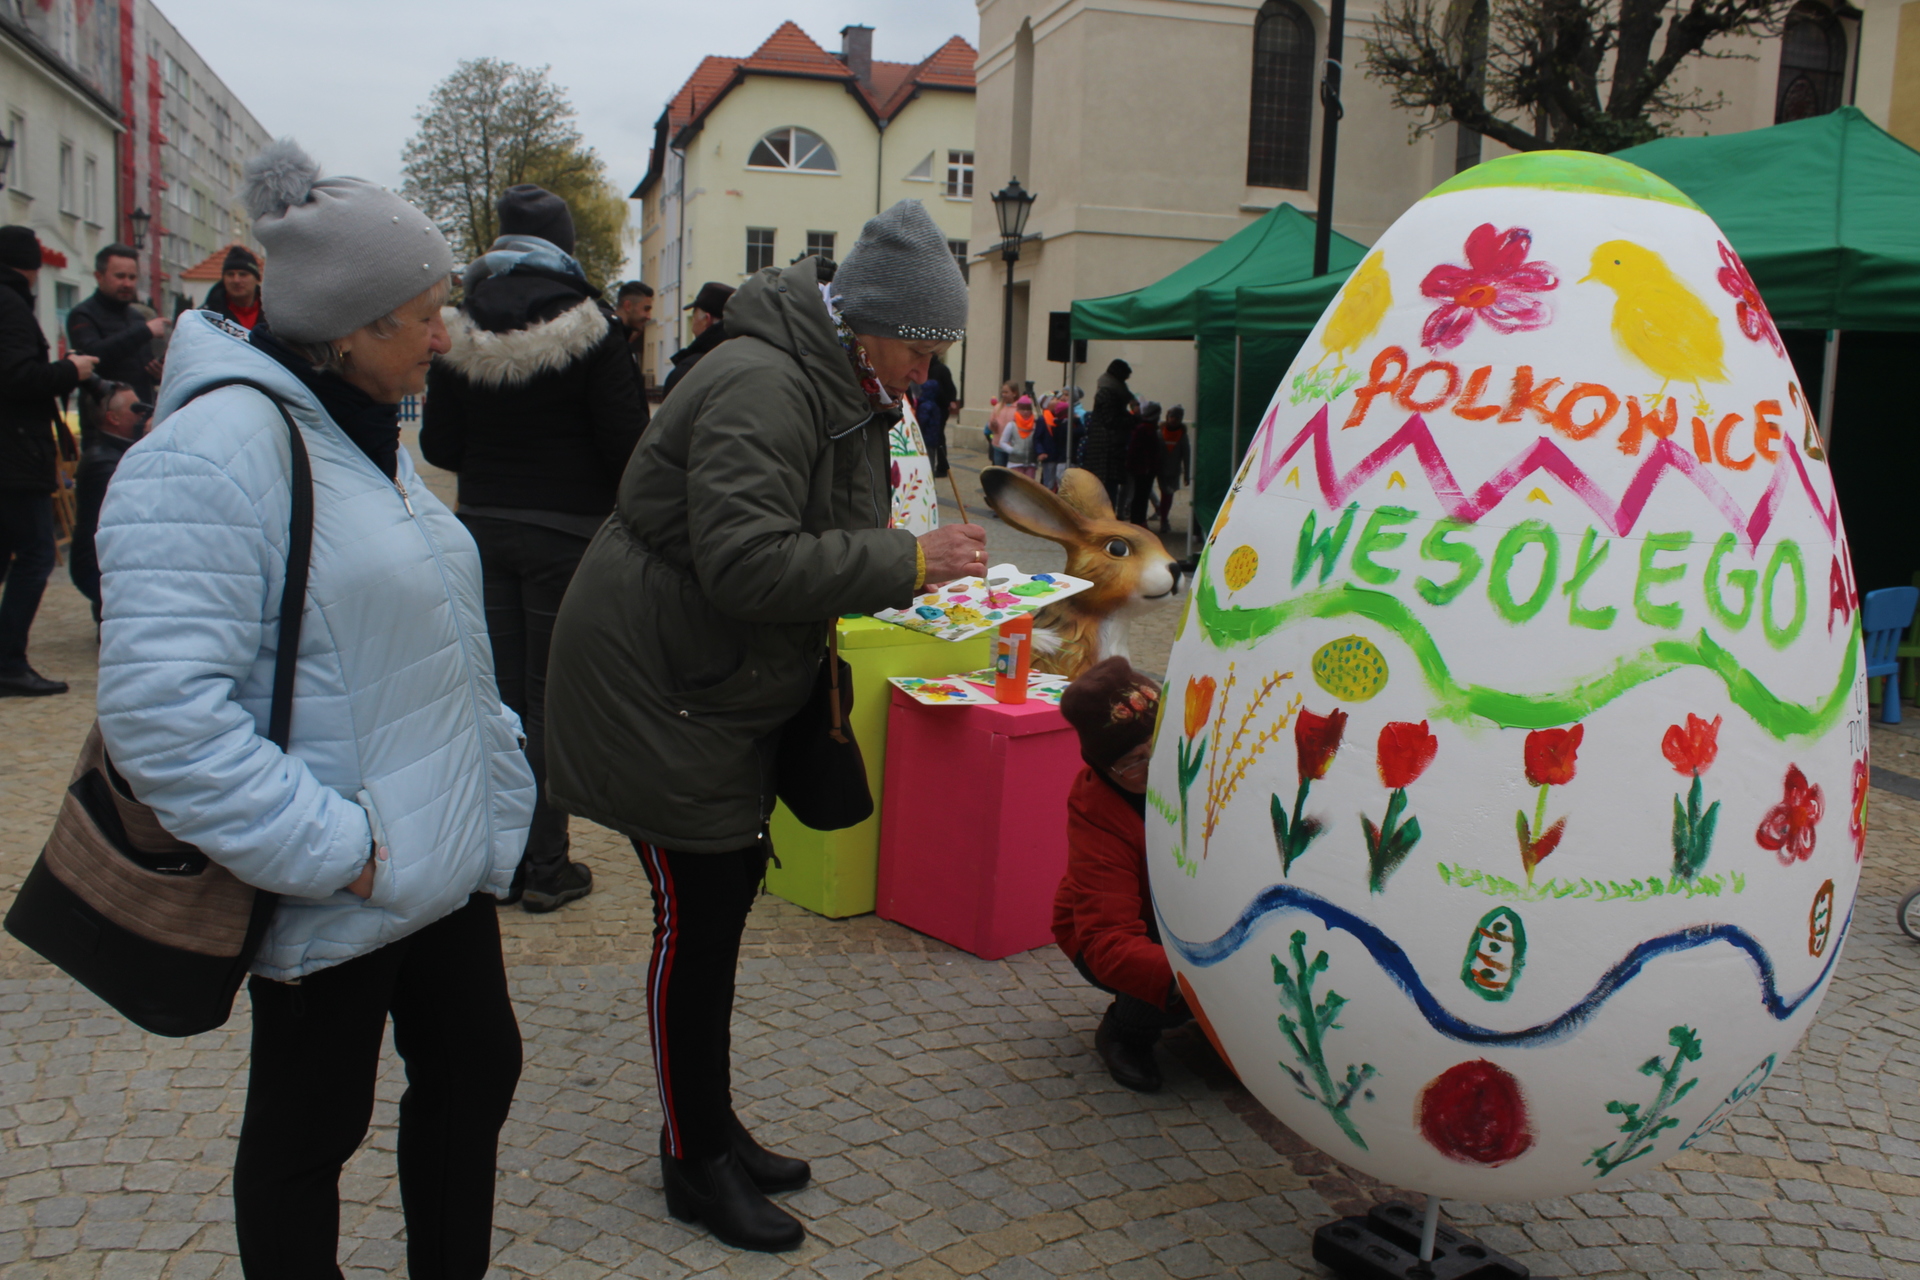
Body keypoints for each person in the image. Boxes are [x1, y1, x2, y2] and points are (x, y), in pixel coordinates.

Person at [94, 139, 535, 1278]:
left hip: (430, 856)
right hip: (340, 869)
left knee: (478, 1067)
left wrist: (493, 787)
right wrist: (341, 850)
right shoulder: (214, 453)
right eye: (419, 316)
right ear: (344, 326)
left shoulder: (359, 434)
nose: (442, 337)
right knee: (306, 1136)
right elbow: (164, 722)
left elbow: (424, 633)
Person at [545, 199, 986, 1254]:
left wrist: (889, 552)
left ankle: (712, 1126)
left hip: (710, 681)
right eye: (919, 349)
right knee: (693, 921)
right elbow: (748, 564)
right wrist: (905, 562)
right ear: (869, 323)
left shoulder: (834, 377)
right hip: (661, 684)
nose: (925, 371)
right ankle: (694, 1161)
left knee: (722, 907)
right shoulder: (763, 381)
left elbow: (802, 531)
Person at [421, 183, 649, 914]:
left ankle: (498, 857)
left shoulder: (455, 328)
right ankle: (546, 864)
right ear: (566, 242)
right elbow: (626, 446)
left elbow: (439, 444)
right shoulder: (593, 325)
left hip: (482, 528)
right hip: (568, 536)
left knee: (496, 697)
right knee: (550, 701)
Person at [1053, 657, 1192, 1093]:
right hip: (1115, 928)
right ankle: (1126, 1032)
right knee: (1161, 986)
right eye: (1134, 761)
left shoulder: (1198, 768)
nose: (1153, 769)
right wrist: (1192, 982)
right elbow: (1106, 938)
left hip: (1187, 907)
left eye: (1159, 747)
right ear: (1106, 768)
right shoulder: (1097, 811)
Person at [0, 225, 95, 695]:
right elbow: (19, 377)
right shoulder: (10, 304)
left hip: (13, 451)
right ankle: (8, 662)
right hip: (16, 452)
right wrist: (69, 371)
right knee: (37, 553)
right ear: (32, 266)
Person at [68, 380, 149, 624]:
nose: (144, 413)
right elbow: (139, 510)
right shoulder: (103, 463)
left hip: (103, 563)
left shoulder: (112, 452)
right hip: (97, 568)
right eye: (136, 409)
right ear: (113, 418)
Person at [67, 243, 168, 406]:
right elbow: (93, 356)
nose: (127, 284)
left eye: (132, 277)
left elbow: (138, 372)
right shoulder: (83, 315)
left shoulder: (137, 317)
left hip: (141, 412)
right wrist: (144, 331)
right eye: (120, 276)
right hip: (103, 416)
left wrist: (157, 373)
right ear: (99, 276)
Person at [660, 280, 734, 400]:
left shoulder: (689, 370)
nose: (693, 322)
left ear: (706, 319)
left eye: (694, 315)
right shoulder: (746, 360)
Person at [1083, 359, 1136, 508]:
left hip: (1106, 448)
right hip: (1106, 450)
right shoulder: (1108, 393)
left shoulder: (1111, 391)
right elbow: (1111, 420)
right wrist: (1132, 420)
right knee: (1106, 490)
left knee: (1106, 488)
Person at [202, 245, 266, 331]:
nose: (236, 280)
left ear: (257, 279)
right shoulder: (206, 317)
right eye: (230, 274)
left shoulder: (273, 314)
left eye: (243, 274)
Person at [917, 352, 958, 477]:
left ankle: (940, 466)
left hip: (935, 407)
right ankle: (941, 465)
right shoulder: (942, 369)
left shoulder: (934, 371)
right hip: (940, 407)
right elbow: (951, 388)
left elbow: (939, 391)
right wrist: (949, 402)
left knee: (936, 438)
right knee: (939, 437)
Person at [1126, 400, 1165, 526]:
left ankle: (1139, 519)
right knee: (1140, 496)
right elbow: (1142, 450)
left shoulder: (1145, 428)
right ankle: (1138, 520)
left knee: (1141, 495)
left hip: (1144, 468)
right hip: (1144, 469)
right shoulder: (1145, 429)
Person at [1155, 404, 1191, 535]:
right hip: (1159, 470)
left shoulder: (1182, 435)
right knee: (1164, 495)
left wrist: (1187, 474)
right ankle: (1163, 517)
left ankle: (1164, 519)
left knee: (1167, 496)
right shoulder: (1160, 432)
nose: (1173, 420)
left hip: (1173, 471)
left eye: (1177, 417)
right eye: (1171, 417)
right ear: (1167, 417)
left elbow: (1186, 455)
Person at [999, 393, 1039, 478]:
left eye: (1028, 409)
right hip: (1015, 463)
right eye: (1022, 409)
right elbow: (1002, 442)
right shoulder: (1011, 425)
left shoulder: (1035, 425)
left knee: (1029, 487)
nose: (1025, 412)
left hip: (1031, 464)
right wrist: (1012, 450)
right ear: (1018, 409)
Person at [985, 379, 1020, 466]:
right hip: (998, 446)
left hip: (1012, 447)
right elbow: (990, 426)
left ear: (1014, 393)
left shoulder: (1019, 408)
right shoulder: (997, 407)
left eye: (1006, 392)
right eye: (1003, 392)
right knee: (999, 472)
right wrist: (992, 425)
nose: (1003, 394)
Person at [1032, 394, 1063, 490]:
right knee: (1049, 483)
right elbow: (1037, 438)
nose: (1057, 400)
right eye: (1053, 399)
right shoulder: (1042, 420)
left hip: (1060, 456)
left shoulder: (1060, 418)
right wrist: (1041, 452)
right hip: (1049, 456)